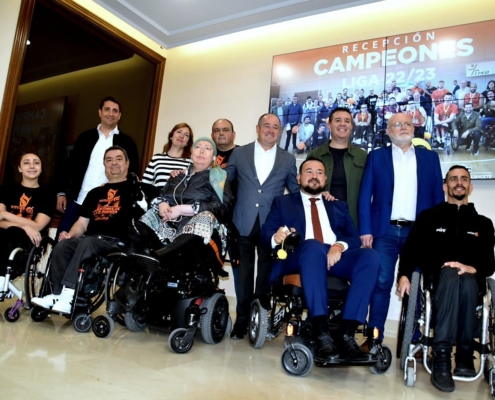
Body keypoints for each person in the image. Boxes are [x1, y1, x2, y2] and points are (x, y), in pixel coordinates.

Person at [261, 158, 380, 362]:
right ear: (298, 178)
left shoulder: (338, 206)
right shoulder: (283, 202)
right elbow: (265, 233)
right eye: (308, 172)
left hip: (334, 256)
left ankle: (346, 334)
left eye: (319, 172)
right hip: (299, 255)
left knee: (371, 256)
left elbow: (353, 236)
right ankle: (322, 332)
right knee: (313, 246)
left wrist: (338, 246)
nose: (314, 176)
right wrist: (276, 237)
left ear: (325, 179)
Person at [397, 165, 495, 392]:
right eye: (453, 179)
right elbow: (410, 251)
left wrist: (469, 267)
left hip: (472, 280)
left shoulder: (484, 224)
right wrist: (404, 275)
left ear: (470, 186)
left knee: (468, 280)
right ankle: (442, 357)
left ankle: (463, 355)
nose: (458, 183)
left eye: (463, 179)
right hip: (437, 280)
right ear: (445, 186)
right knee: (451, 274)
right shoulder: (428, 217)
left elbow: (489, 266)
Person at [358, 112, 444, 346]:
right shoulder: (376, 157)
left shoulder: (430, 158)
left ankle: (413, 342)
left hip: (418, 233)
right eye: (397, 125)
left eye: (407, 124)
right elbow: (365, 196)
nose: (403, 127)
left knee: (415, 284)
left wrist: (437, 233)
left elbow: (438, 198)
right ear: (388, 132)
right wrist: (366, 229)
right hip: (383, 231)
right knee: (382, 282)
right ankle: (374, 338)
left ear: (414, 129)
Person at [32, 146, 145, 314]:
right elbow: (82, 223)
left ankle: (69, 295)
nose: (114, 163)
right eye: (109, 160)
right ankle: (56, 294)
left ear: (127, 163)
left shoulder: (136, 191)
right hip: (91, 239)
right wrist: (70, 234)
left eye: (119, 159)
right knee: (63, 246)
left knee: (88, 241)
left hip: (116, 244)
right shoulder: (95, 193)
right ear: (104, 165)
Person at [226, 113, 299, 339]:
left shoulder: (288, 159)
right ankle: (242, 320)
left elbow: (295, 191)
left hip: (272, 226)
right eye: (266, 126)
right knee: (244, 274)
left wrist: (315, 198)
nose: (270, 130)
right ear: (257, 128)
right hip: (243, 221)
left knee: (266, 276)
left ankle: (260, 320)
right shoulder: (239, 153)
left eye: (275, 127)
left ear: (280, 131)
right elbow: (224, 182)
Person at [55, 96, 139, 239]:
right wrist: (61, 193)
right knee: (62, 242)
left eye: (115, 111)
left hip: (108, 206)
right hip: (78, 200)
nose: (110, 114)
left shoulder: (127, 142)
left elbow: (133, 173)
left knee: (93, 249)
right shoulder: (85, 137)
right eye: (107, 109)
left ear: (120, 115)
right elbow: (69, 166)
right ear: (100, 112)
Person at [139, 137, 233, 254]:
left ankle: (163, 254)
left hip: (202, 231)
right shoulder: (178, 175)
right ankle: (135, 253)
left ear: (214, 157)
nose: (201, 151)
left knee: (205, 216)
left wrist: (181, 209)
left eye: (207, 148)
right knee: (150, 214)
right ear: (192, 154)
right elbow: (162, 194)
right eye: (198, 147)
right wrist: (162, 204)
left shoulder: (220, 177)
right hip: (170, 225)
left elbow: (221, 207)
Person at [0, 153, 55, 285]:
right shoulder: (7, 189)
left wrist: (6, 214)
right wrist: (24, 226)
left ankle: (2, 280)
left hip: (30, 240)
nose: (31, 166)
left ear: (41, 168)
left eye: (36, 162)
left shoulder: (48, 194)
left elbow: (37, 226)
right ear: (19, 168)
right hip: (4, 234)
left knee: (12, 233)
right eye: (26, 163)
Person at [307, 107, 367, 229]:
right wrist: (318, 193)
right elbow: (304, 188)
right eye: (338, 120)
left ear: (351, 126)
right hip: (320, 221)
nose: (342, 124)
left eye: (347, 121)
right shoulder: (315, 155)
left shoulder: (363, 156)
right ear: (329, 125)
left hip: (352, 222)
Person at [141, 123, 193, 188]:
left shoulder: (191, 163)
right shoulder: (157, 158)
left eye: (186, 135)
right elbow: (144, 185)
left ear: (188, 142)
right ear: (171, 136)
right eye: (179, 132)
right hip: (158, 198)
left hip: (178, 198)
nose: (181, 136)